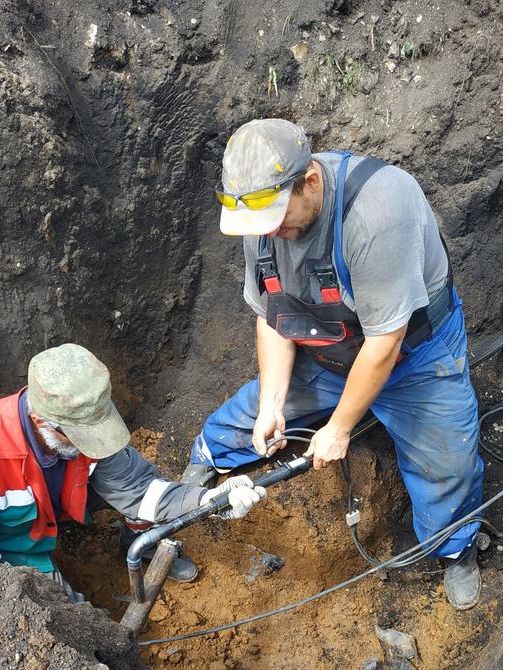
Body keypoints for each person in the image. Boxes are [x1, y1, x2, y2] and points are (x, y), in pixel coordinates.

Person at [183, 118, 484, 610]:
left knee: (448, 466)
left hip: (413, 357)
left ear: (310, 182)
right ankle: (203, 464)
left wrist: (340, 427)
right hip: (326, 345)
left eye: (281, 219)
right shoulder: (259, 216)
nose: (274, 233)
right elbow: (273, 313)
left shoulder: (378, 211)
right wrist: (273, 404)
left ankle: (455, 547)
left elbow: (386, 344)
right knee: (244, 419)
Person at [0, 344, 266, 601]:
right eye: (83, 437)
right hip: (10, 540)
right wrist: (15, 586)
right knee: (68, 614)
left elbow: (141, 491)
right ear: (44, 422)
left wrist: (210, 500)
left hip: (60, 503)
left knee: (139, 489)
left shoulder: (85, 421)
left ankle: (139, 545)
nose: (93, 445)